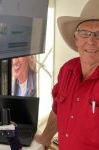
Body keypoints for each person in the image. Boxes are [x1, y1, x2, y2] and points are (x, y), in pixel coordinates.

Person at [35, 0, 99, 149]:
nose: (91, 41)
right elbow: (57, 109)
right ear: (76, 39)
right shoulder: (67, 70)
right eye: (85, 33)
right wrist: (45, 138)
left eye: (98, 34)